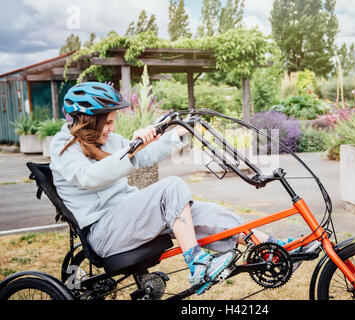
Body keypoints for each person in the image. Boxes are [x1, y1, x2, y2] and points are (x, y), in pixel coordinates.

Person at [50, 82, 300, 295]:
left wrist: (176, 133)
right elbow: (90, 177)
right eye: (108, 123)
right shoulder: (64, 146)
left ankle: (277, 250)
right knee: (171, 188)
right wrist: (133, 149)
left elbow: (142, 156)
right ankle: (198, 265)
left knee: (210, 213)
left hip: (129, 219)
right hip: (104, 232)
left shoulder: (110, 140)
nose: (112, 128)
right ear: (89, 120)